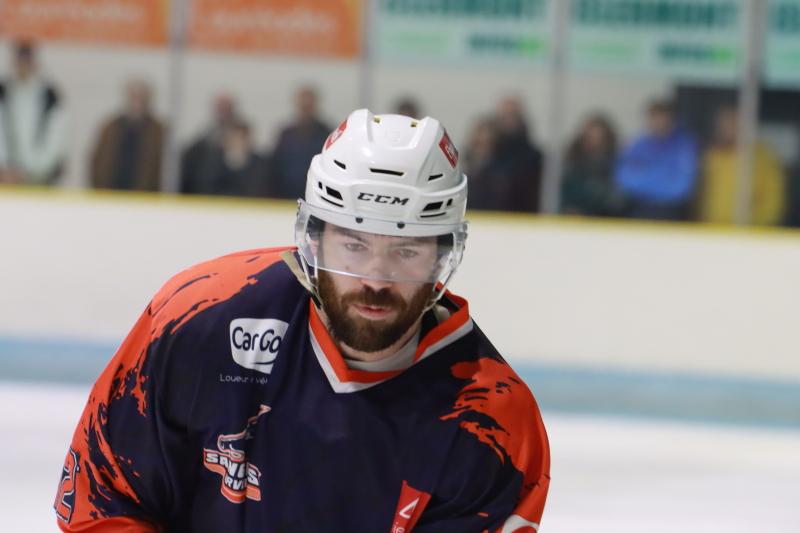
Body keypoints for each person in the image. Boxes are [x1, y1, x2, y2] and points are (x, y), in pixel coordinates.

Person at [55, 109, 550, 532]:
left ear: (442, 258)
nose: (375, 279)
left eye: (406, 251)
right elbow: (105, 497)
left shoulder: (491, 423)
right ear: (314, 241)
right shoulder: (200, 319)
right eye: (353, 245)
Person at [699, 105, 786, 225]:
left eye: (733, 123)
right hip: (709, 230)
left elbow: (772, 202)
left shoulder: (762, 158)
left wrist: (756, 226)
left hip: (747, 231)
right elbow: (701, 197)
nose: (727, 128)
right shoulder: (711, 156)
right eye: (724, 124)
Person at [615, 99, 699, 220]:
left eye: (663, 118)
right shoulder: (637, 144)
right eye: (654, 118)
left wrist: (644, 175)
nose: (658, 123)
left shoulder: (685, 146)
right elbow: (624, 179)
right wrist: (662, 176)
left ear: (672, 120)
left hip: (672, 211)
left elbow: (681, 187)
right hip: (639, 208)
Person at [0, 40, 66, 185]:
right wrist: (5, 168)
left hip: (41, 179)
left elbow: (57, 138)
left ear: (35, 63)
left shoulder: (50, 96)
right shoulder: (3, 92)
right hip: (5, 178)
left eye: (27, 61)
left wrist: (32, 171)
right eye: (20, 60)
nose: (23, 66)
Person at [90, 79, 164, 191]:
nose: (137, 102)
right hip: (109, 192)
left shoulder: (157, 131)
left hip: (144, 195)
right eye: (134, 96)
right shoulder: (110, 128)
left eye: (141, 97)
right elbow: (98, 159)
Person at [270, 86, 331, 199]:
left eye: (308, 106)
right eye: (303, 106)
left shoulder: (327, 134)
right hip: (286, 196)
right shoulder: (286, 134)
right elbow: (275, 166)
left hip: (317, 196)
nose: (306, 110)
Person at [182, 118, 268, 197]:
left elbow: (259, 190)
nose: (237, 143)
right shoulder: (212, 163)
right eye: (234, 139)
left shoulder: (259, 165)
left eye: (241, 138)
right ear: (225, 141)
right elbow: (204, 188)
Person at [561, 113, 625, 217]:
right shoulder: (573, 161)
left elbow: (615, 196)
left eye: (597, 136)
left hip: (604, 214)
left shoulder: (615, 161)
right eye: (590, 136)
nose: (593, 139)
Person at [492, 96, 543, 212]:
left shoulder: (533, 156)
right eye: (505, 116)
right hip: (489, 215)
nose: (509, 121)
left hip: (521, 215)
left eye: (513, 115)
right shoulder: (489, 151)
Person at [180, 93, 239, 193]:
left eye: (226, 108)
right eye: (220, 108)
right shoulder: (204, 139)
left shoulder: (241, 138)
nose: (223, 112)